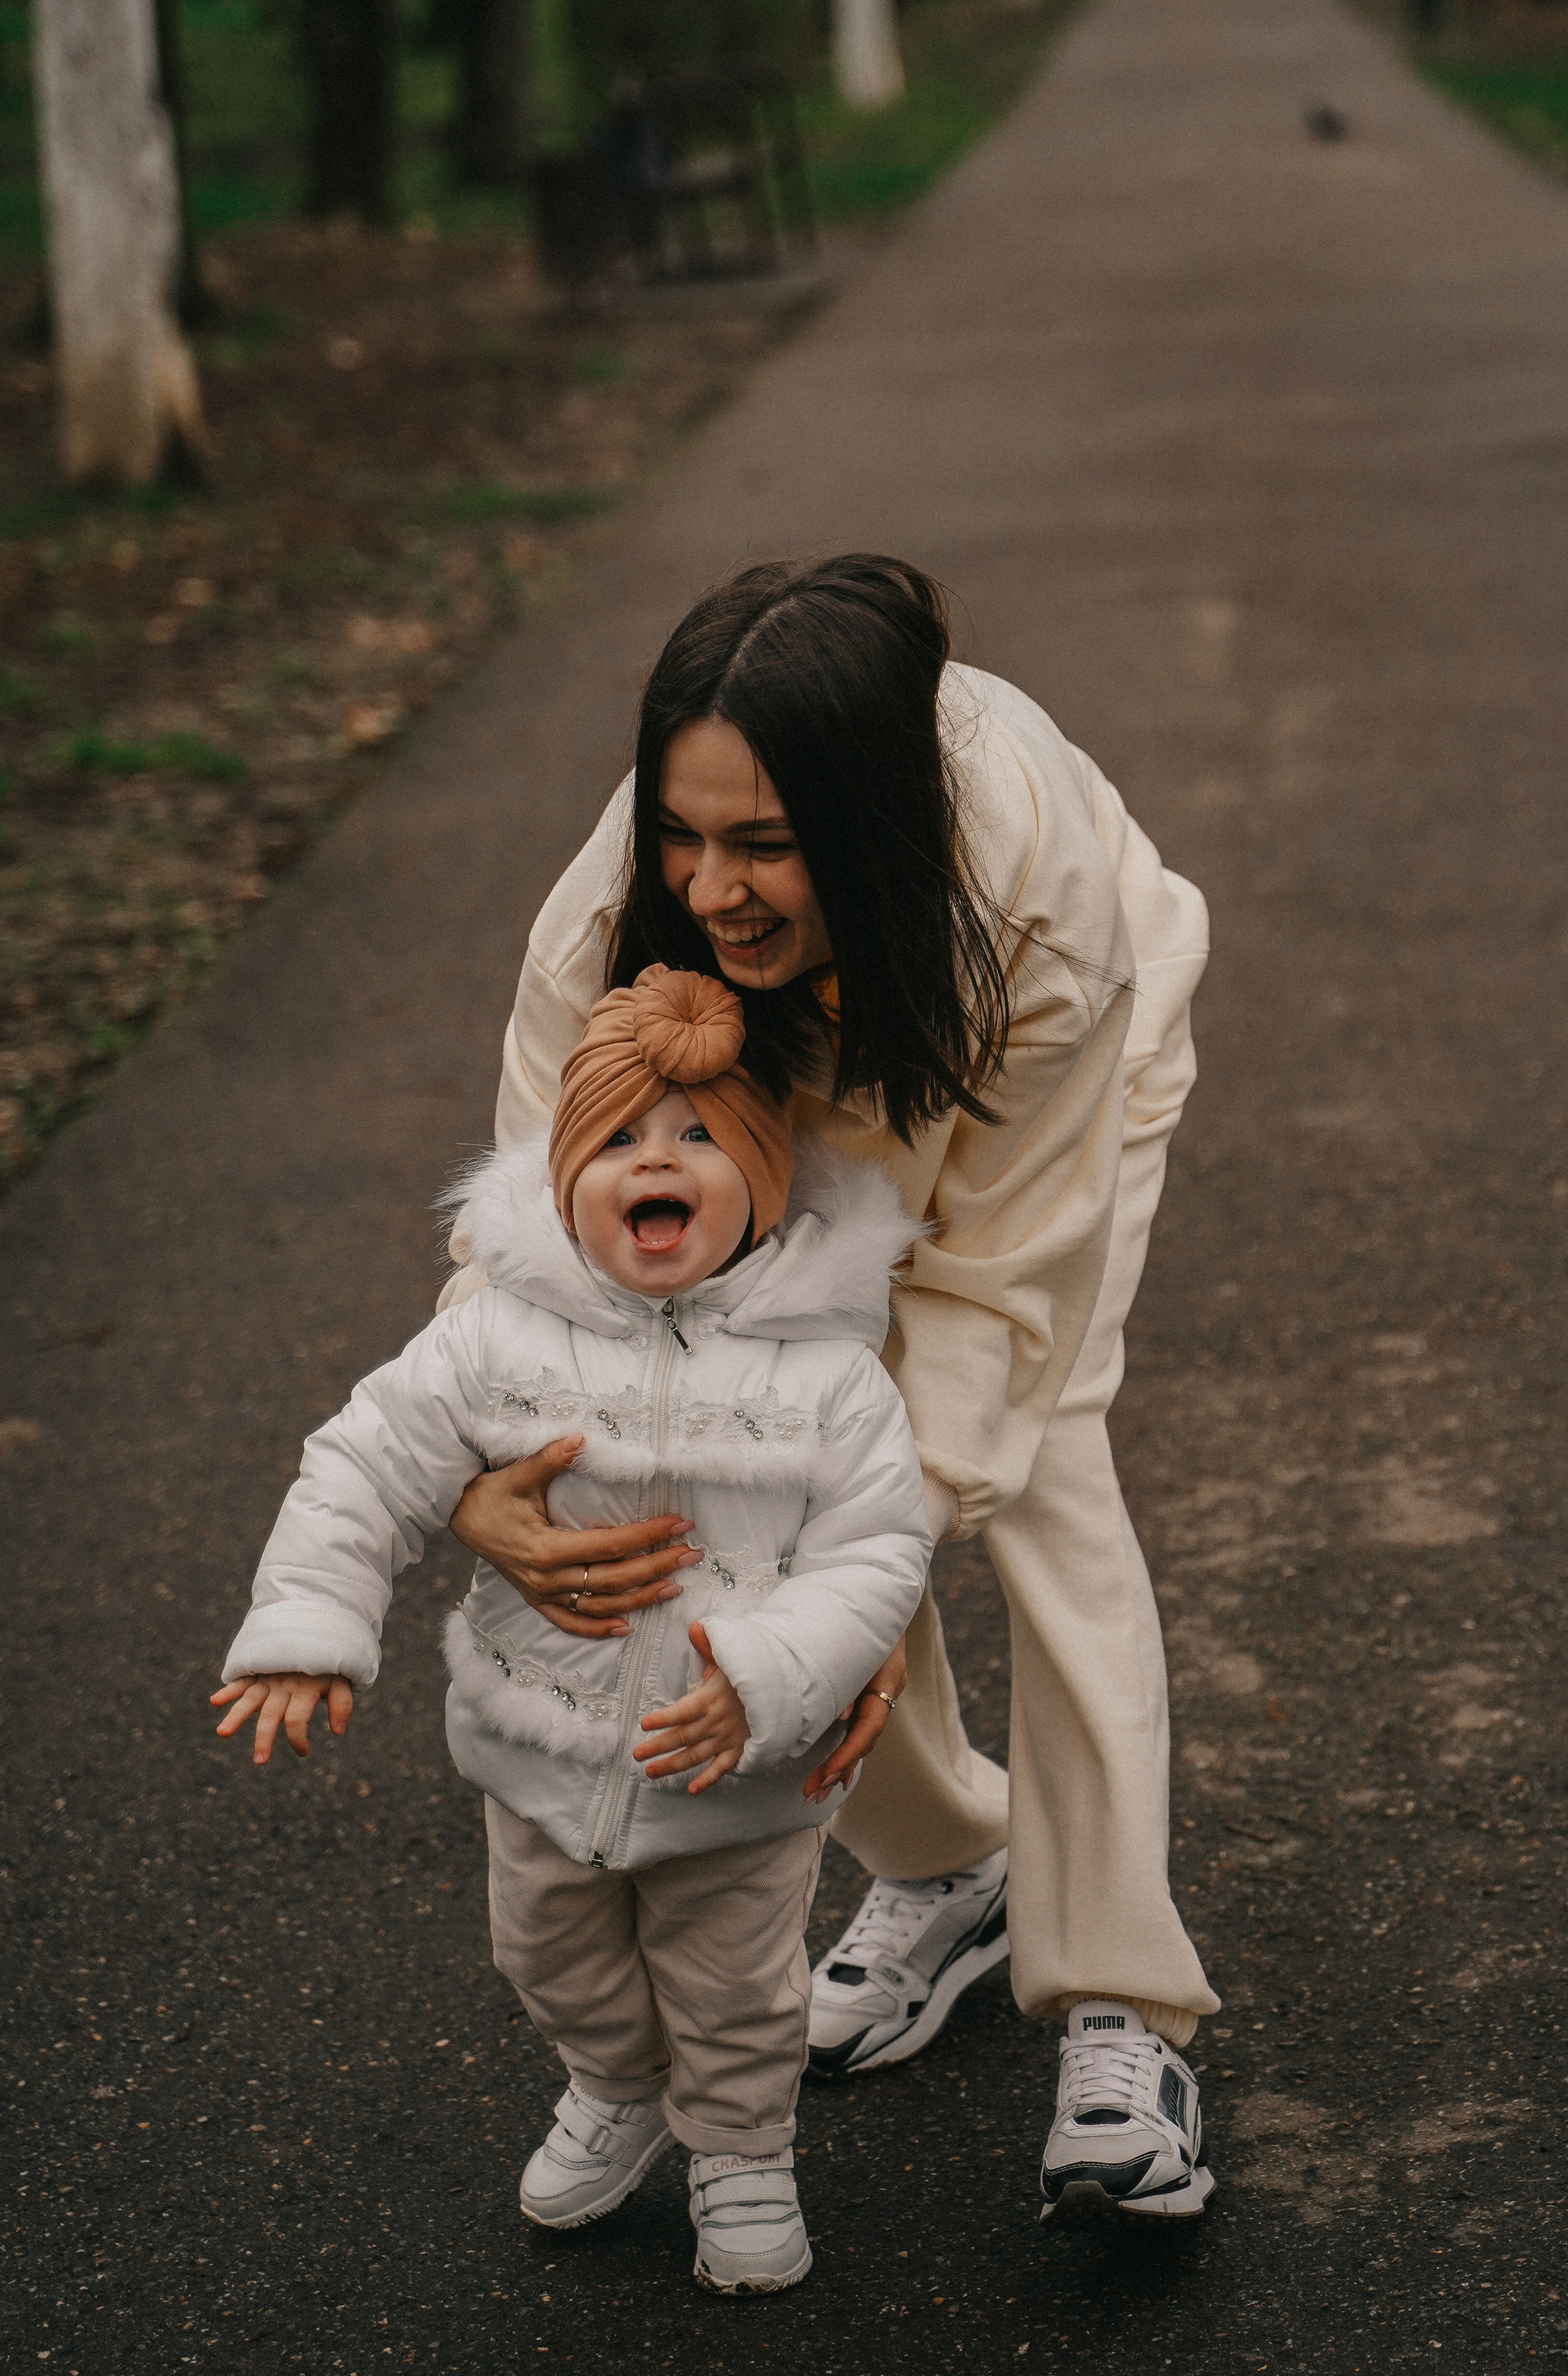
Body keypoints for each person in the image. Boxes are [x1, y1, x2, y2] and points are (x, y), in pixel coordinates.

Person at [444, 552, 1219, 2221]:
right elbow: (530, 1214)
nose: (708, 884)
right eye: (683, 832)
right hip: (767, 1058)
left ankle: (1118, 1998)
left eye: (762, 845)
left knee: (1032, 1450)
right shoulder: (619, 927)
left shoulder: (1043, 926)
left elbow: (991, 1302)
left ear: (859, 825)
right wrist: (492, 1461)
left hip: (1012, 1058)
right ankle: (949, 1864)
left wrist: (852, 1593)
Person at [213, 966, 931, 2294]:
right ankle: (615, 2087)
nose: (656, 1160)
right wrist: (310, 1622)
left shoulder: (829, 1370)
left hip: (735, 1766)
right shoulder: (496, 1340)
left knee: (735, 1987)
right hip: (540, 1745)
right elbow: (367, 1465)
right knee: (548, 1953)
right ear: (563, 1180)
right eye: (617, 1138)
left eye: (702, 1136)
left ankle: (738, 2149)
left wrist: (771, 1676)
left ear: (768, 1180)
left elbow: (881, 1546)